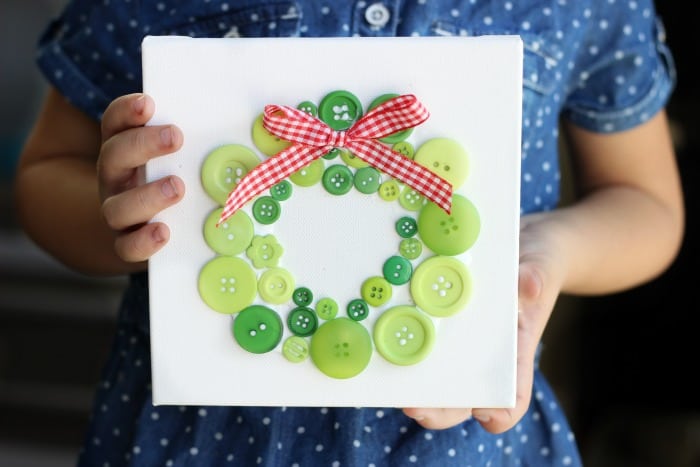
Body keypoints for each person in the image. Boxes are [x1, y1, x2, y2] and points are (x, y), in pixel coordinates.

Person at [14, 1, 683, 466]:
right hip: (190, 438)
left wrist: (551, 252)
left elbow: (645, 201)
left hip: (466, 445)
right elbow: (46, 171)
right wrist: (123, 224)